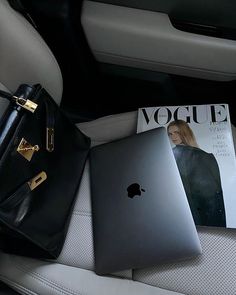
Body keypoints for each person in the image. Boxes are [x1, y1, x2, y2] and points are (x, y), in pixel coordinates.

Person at [167, 120, 226, 227]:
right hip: (185, 213)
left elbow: (211, 196)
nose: (173, 136)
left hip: (199, 216)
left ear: (185, 132)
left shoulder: (201, 156)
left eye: (177, 132)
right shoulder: (169, 156)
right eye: (170, 134)